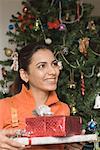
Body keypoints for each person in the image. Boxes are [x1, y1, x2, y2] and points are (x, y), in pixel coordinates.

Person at [0, 42, 84, 150]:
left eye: (54, 64)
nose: (52, 71)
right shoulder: (4, 107)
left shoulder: (63, 109)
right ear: (25, 75)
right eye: (42, 66)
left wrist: (71, 147)